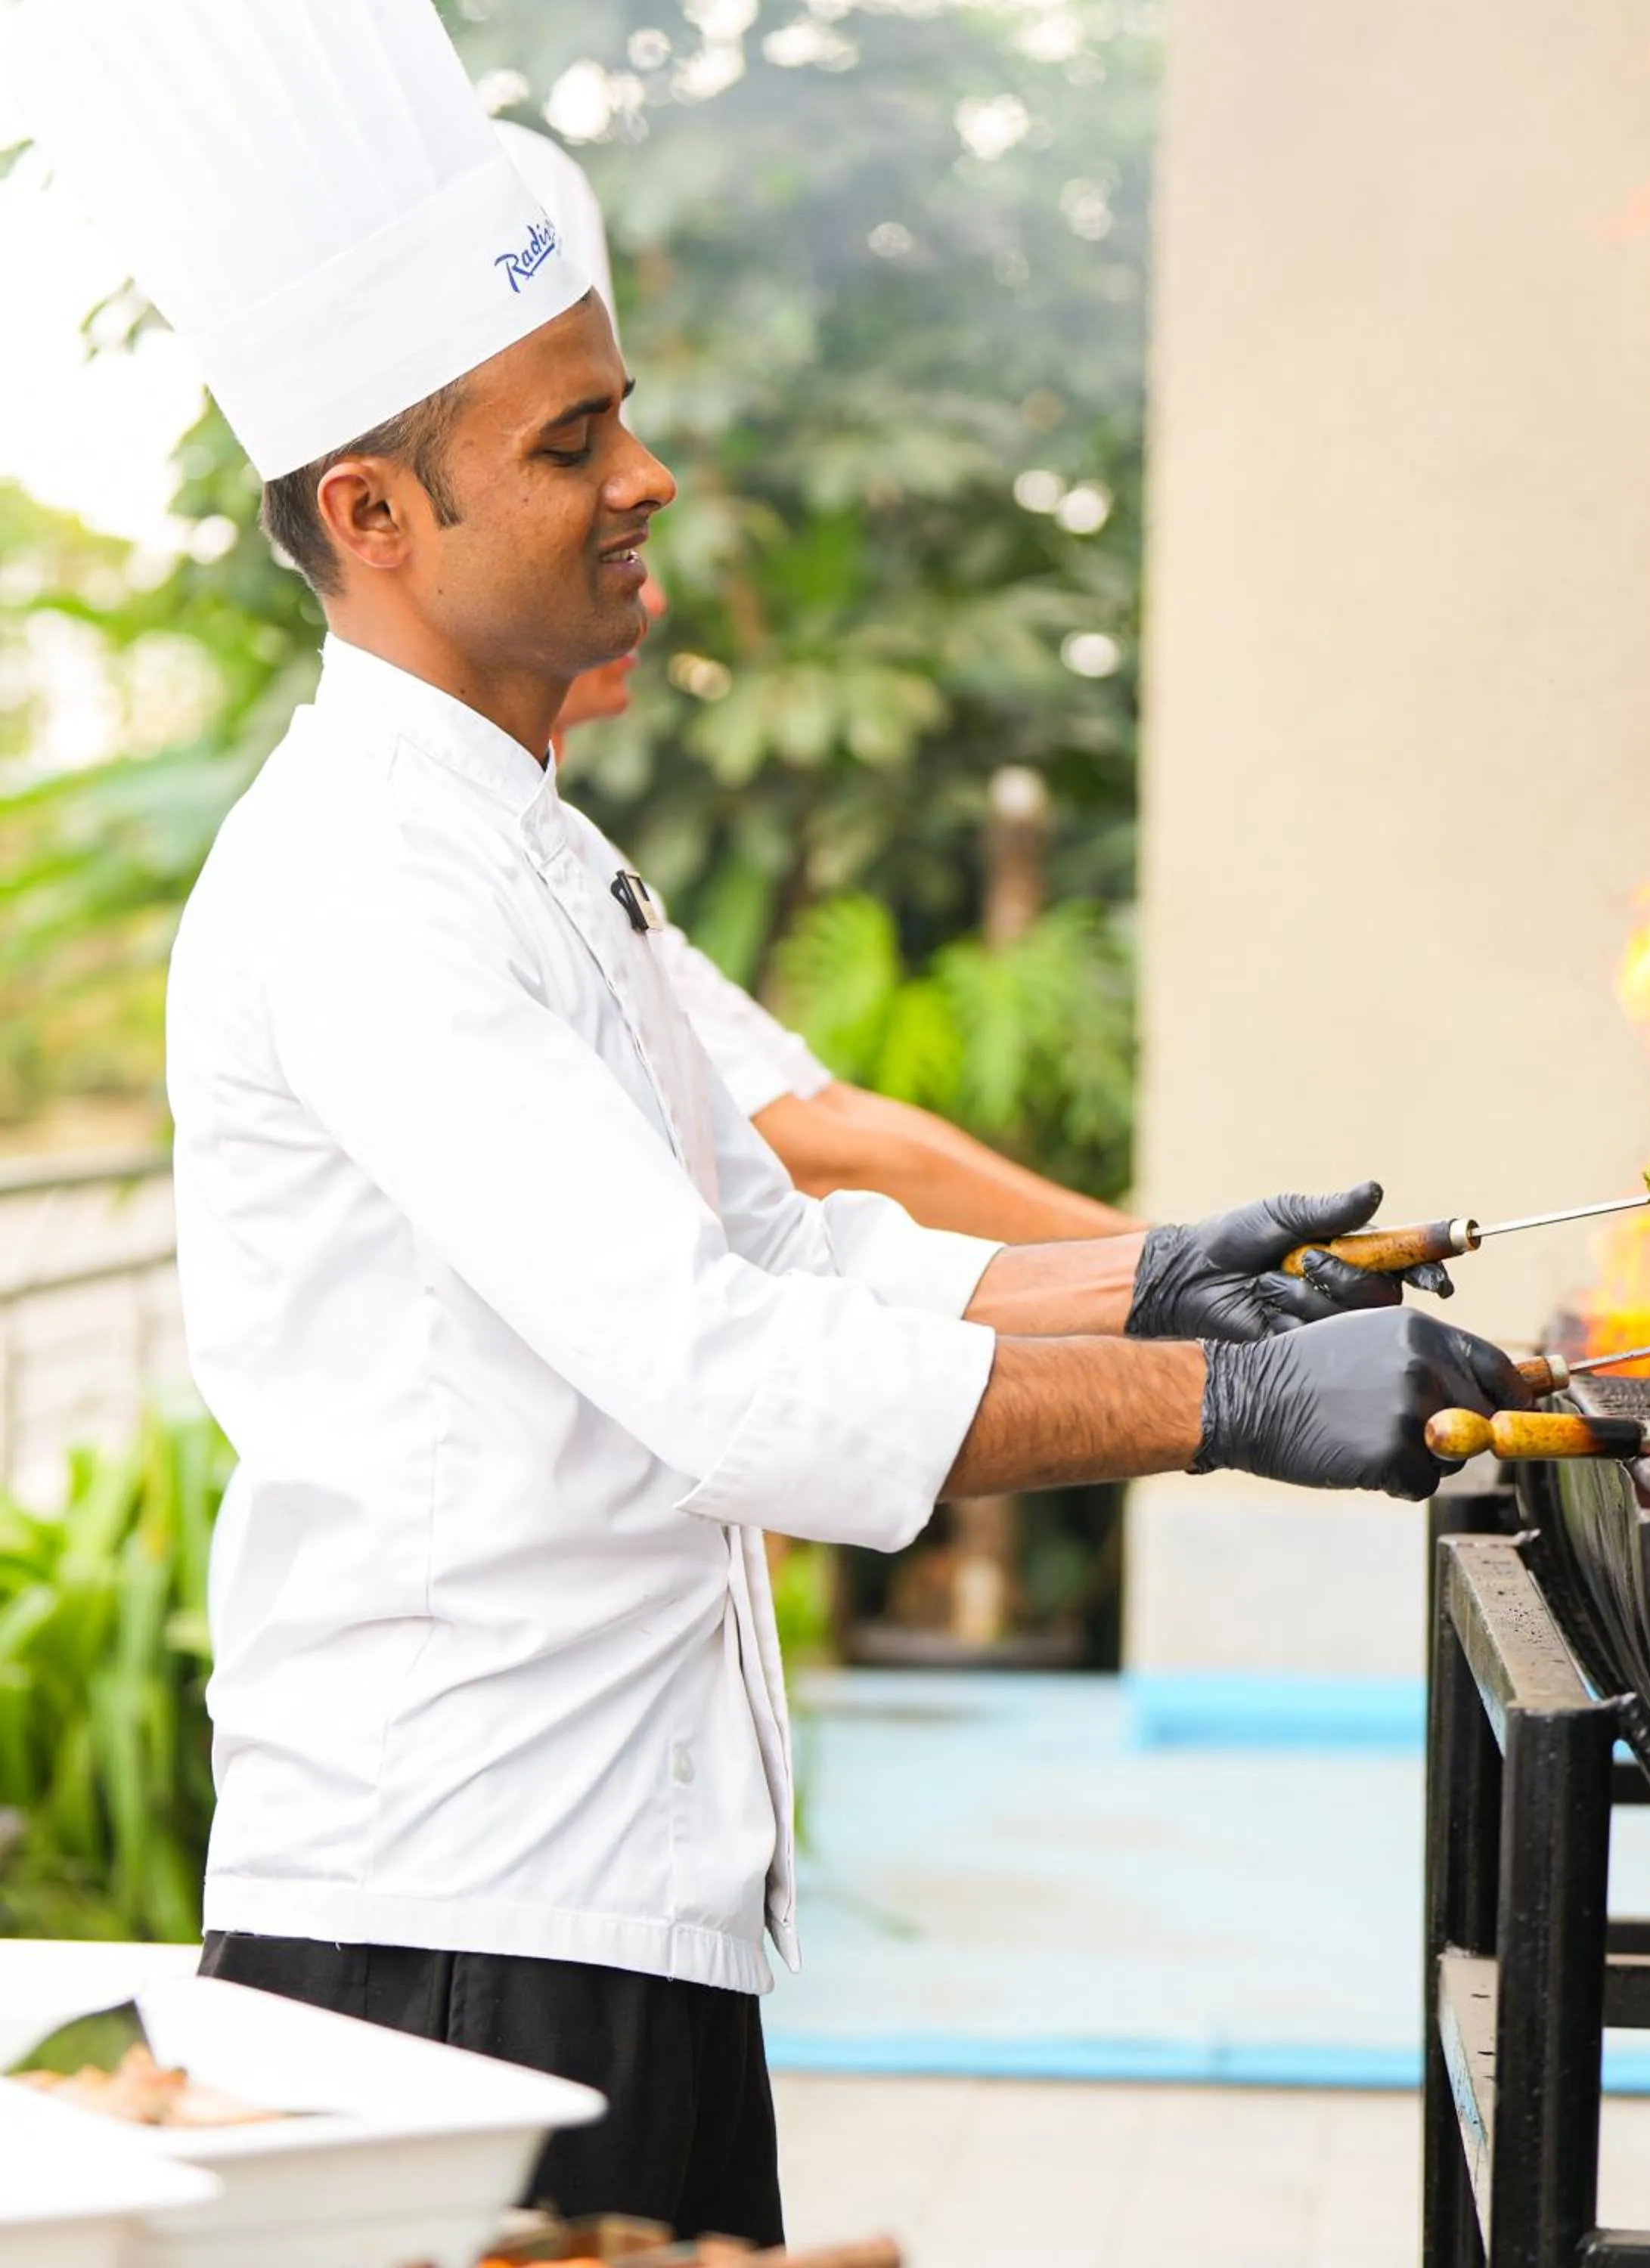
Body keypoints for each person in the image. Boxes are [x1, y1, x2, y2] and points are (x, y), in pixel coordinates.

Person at [9, 1, 1519, 2242]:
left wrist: (1155, 1268)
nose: (647, 478)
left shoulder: (524, 852)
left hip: (604, 1901)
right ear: (371, 512)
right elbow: (736, 1391)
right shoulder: (363, 887)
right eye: (571, 439)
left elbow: (789, 1255)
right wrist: (1229, 1401)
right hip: (460, 1925)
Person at [503, 119, 1152, 1249]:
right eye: (567, 454)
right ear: (377, 524)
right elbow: (811, 1159)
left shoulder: (566, 849)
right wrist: (1179, 1288)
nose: (652, 591)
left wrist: (1180, 1270)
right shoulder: (392, 869)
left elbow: (815, 1133)